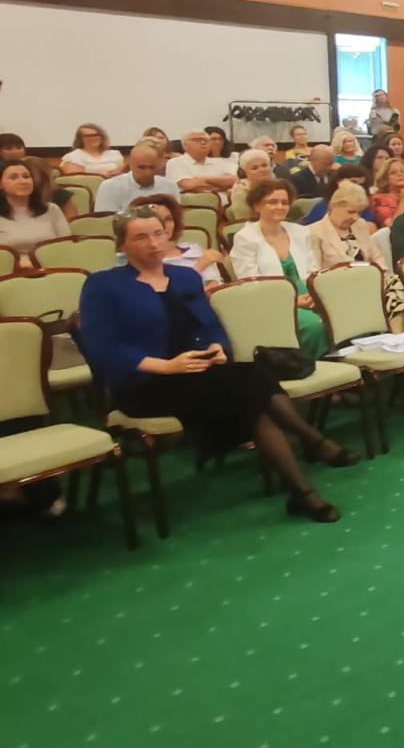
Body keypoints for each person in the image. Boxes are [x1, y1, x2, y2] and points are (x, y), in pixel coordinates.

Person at [79, 207, 352, 520]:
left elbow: (210, 325)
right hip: (145, 383)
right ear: (122, 244)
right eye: (141, 237)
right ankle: (312, 445)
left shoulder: (185, 277)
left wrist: (218, 348)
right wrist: (166, 366)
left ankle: (303, 490)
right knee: (249, 389)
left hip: (199, 370)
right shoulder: (103, 285)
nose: (153, 243)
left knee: (251, 382)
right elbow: (102, 347)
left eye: (158, 233)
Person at [230, 180, 327, 357]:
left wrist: (315, 294)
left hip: (308, 293)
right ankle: (312, 367)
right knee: (315, 325)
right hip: (271, 300)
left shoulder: (300, 232)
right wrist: (293, 301)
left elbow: (313, 270)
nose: (280, 207)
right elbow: (250, 284)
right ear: (257, 205)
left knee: (343, 315)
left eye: (284, 202)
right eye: (273, 202)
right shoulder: (245, 238)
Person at [306, 182, 404, 326]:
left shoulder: (360, 225)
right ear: (334, 206)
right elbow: (314, 272)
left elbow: (375, 256)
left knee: (393, 282)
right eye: (351, 212)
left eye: (359, 212)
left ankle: (396, 333)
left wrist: (382, 275)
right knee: (390, 287)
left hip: (368, 279)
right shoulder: (314, 231)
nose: (355, 217)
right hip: (339, 285)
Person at [128, 194, 224, 285]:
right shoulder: (134, 261)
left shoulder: (195, 252)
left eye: (168, 219)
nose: (164, 225)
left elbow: (215, 285)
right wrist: (200, 266)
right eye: (157, 220)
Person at [0, 157, 70, 262]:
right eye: (13, 177)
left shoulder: (52, 209)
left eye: (26, 176)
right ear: (1, 184)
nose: (23, 181)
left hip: (51, 265)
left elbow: (66, 245)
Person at [94, 143, 181, 213]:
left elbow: (176, 218)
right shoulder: (109, 187)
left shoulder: (170, 186)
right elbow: (105, 222)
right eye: (142, 167)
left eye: (152, 167)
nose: (147, 172)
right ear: (130, 165)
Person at [166, 130, 238, 195]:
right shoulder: (175, 162)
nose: (203, 142)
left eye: (206, 140)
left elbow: (233, 181)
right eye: (197, 140)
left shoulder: (220, 162)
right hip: (192, 203)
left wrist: (201, 179)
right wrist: (222, 186)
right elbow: (188, 185)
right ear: (184, 145)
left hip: (224, 203)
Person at [368, 157, 404, 228]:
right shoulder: (378, 200)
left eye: (403, 171)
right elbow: (394, 226)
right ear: (385, 178)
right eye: (393, 172)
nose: (400, 174)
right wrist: (403, 201)